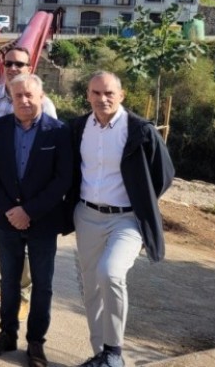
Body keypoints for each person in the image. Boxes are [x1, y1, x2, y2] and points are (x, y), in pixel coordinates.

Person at [69, 72, 174, 367]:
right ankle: (100, 353)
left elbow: (163, 175)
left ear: (122, 95)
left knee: (110, 273)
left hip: (126, 219)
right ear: (88, 95)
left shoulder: (140, 130)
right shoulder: (78, 128)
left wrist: (141, 199)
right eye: (96, 93)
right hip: (87, 217)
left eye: (109, 93)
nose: (102, 99)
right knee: (91, 286)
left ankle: (114, 352)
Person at [0, 74, 72, 367]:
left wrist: (29, 211)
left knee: (42, 284)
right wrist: (10, 209)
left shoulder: (58, 131)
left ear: (41, 96)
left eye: (30, 95)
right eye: (18, 96)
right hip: (7, 218)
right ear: (12, 98)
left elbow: (63, 179)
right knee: (9, 281)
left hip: (43, 220)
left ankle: (35, 342)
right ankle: (7, 333)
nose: (24, 101)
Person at [0, 46, 57, 320]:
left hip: (28, 189)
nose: (12, 68)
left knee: (25, 238)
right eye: (8, 63)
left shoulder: (43, 103)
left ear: (29, 67)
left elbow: (50, 145)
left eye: (19, 64)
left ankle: (21, 294)